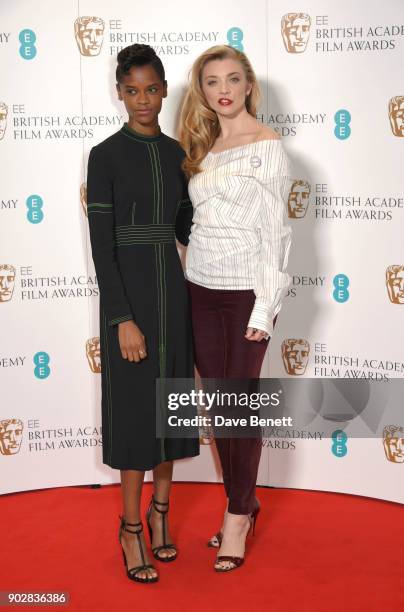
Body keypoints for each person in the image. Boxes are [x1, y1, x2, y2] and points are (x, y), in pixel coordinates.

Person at [86, 44, 199, 584]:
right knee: (135, 415)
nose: (143, 101)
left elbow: (185, 230)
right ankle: (130, 528)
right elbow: (101, 249)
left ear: (164, 89)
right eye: (132, 90)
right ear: (119, 92)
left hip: (172, 298)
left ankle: (160, 515)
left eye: (152, 89)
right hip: (128, 302)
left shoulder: (178, 152)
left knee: (169, 409)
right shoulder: (105, 155)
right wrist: (121, 318)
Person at [179, 45, 292, 572]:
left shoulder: (267, 146)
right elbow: (195, 223)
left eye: (232, 79)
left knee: (238, 408)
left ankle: (237, 517)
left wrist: (263, 309)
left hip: (247, 292)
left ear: (248, 85)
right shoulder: (199, 146)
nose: (222, 89)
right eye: (211, 82)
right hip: (199, 288)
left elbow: (276, 234)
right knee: (218, 409)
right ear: (201, 91)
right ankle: (242, 501)